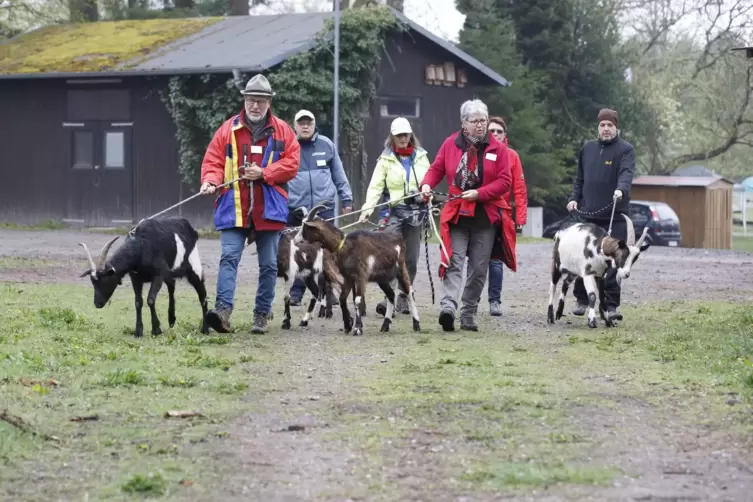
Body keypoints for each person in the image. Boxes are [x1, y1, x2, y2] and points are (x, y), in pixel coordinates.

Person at [199, 74, 300, 334]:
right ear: (244, 100)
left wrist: (264, 174)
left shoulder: (284, 131)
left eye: (260, 101)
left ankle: (261, 315)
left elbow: (292, 164)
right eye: (250, 100)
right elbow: (213, 161)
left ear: (269, 102)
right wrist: (210, 181)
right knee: (229, 257)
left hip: (270, 210)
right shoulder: (227, 130)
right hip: (234, 207)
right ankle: (222, 312)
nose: (255, 106)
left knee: (268, 264)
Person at [420, 99, 512, 332]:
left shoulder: (498, 149)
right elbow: (436, 169)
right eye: (475, 121)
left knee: (479, 268)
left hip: (485, 217)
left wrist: (479, 193)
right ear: (464, 123)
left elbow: (505, 182)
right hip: (457, 214)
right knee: (453, 261)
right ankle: (448, 308)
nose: (481, 126)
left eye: (484, 120)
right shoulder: (450, 144)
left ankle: (469, 311)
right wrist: (426, 185)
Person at [567, 108, 636, 321]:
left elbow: (626, 174)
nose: (606, 129)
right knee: (584, 258)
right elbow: (579, 179)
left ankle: (611, 305)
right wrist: (573, 199)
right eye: (602, 125)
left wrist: (621, 190)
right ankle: (581, 299)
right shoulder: (587, 149)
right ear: (598, 127)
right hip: (589, 215)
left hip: (615, 215)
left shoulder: (626, 150)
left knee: (615, 261)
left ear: (616, 127)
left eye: (610, 125)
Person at [358, 117, 430, 315]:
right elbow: (376, 186)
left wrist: (426, 191)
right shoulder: (385, 160)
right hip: (393, 212)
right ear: (392, 136)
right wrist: (367, 209)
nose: (403, 138)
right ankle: (386, 296)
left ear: (410, 135)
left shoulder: (422, 157)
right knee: (389, 255)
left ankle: (404, 295)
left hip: (416, 211)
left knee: (412, 257)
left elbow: (430, 179)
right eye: (399, 135)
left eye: (405, 134)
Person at [286, 109, 353, 306]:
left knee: (327, 252)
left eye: (309, 122)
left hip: (324, 209)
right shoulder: (288, 146)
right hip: (296, 210)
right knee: (297, 252)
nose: (305, 126)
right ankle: (296, 292)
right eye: (301, 123)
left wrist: (346, 199)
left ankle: (329, 291)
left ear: (314, 125)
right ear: (295, 125)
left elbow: (339, 174)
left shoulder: (327, 145)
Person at [486, 116, 528, 316]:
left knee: (496, 260)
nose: (494, 135)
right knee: (476, 259)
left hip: (501, 214)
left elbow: (519, 189)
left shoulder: (512, 157)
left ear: (505, 136)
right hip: (479, 212)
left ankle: (495, 301)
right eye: (491, 131)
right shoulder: (478, 153)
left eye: (498, 132)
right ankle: (471, 300)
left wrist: (520, 218)